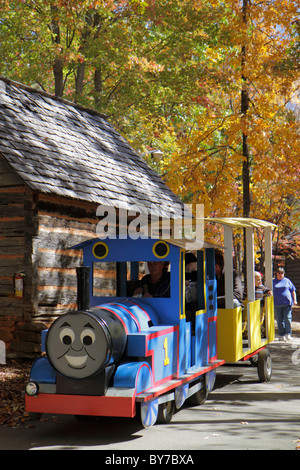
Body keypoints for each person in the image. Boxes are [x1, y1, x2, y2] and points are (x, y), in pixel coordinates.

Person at [273, 267, 297, 342]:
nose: (280, 274)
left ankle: (288, 333)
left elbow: (293, 291)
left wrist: (295, 300)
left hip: (287, 303)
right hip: (277, 303)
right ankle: (282, 334)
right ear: (276, 274)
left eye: (282, 273)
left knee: (287, 318)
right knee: (279, 320)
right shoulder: (273, 281)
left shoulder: (287, 281)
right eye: (279, 273)